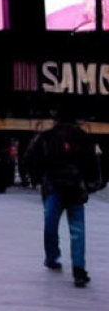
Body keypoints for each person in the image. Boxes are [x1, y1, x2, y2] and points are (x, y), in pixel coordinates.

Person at [25, 109, 102, 287]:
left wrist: (36, 178)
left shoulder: (46, 137)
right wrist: (90, 183)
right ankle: (79, 269)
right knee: (78, 229)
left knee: (50, 225)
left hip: (54, 187)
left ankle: (52, 257)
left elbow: (30, 158)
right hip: (75, 187)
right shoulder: (83, 137)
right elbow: (92, 164)